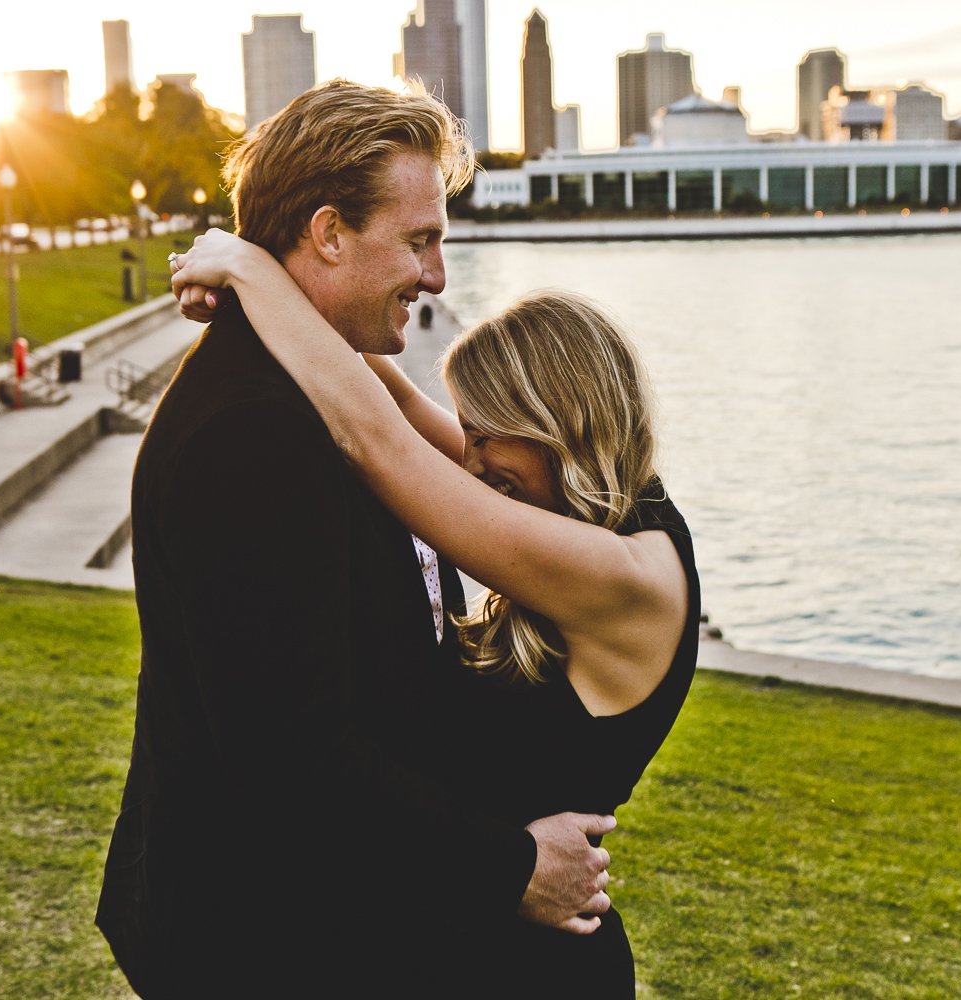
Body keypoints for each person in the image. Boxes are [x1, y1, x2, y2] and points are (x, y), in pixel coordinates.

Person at [95, 79, 615, 999]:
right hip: (265, 943)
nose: (437, 276)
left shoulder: (331, 391)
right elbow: (292, 763)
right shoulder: (252, 433)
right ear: (329, 233)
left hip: (337, 918)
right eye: (418, 241)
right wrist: (513, 867)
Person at [171, 232, 701, 995]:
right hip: (478, 938)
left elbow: (379, 443)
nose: (470, 462)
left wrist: (251, 269)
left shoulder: (625, 577)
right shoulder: (587, 502)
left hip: (539, 970)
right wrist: (289, 280)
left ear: (557, 424)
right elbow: (400, 407)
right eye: (468, 433)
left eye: (484, 437)